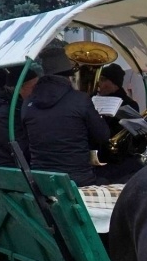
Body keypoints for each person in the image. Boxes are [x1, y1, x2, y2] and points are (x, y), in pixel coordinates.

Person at [21, 46, 109, 186]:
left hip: (43, 181)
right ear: (68, 74)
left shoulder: (27, 103)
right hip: (78, 180)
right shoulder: (81, 100)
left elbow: (25, 142)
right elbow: (103, 136)